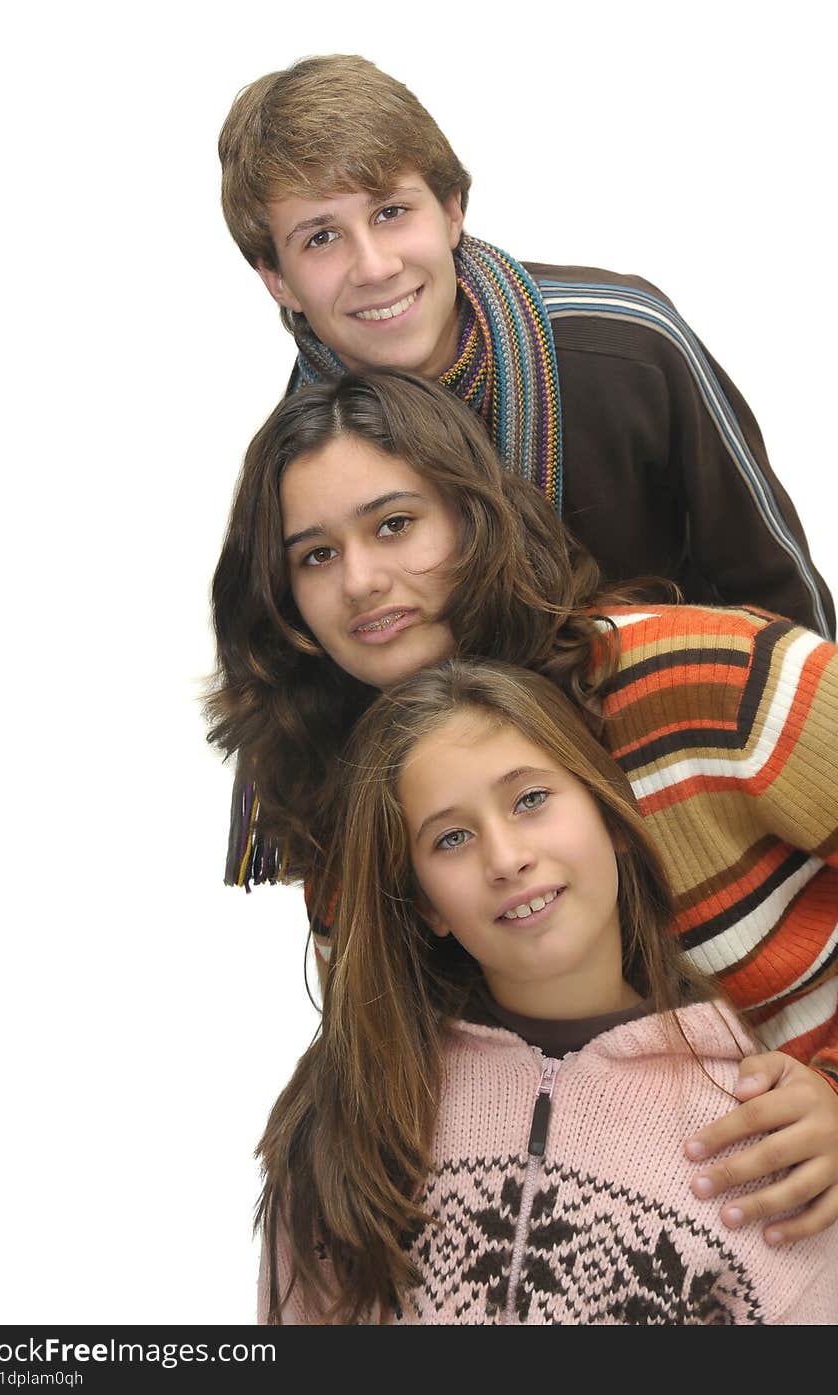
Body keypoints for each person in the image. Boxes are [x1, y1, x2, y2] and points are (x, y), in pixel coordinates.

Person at [208, 370, 838, 1248]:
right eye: (314, 555)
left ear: (475, 517)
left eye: (396, 524)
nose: (360, 580)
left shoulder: (707, 681)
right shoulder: (355, 827)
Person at [256, 659, 838, 1324]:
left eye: (530, 799)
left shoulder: (766, 1135)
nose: (505, 859)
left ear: (613, 817)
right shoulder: (356, 1117)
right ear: (425, 905)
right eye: (451, 837)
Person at [217, 53, 833, 637]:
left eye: (391, 213)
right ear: (276, 278)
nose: (374, 267)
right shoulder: (293, 472)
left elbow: (781, 597)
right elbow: (291, 688)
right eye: (321, 238)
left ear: (452, 210)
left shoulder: (627, 345)